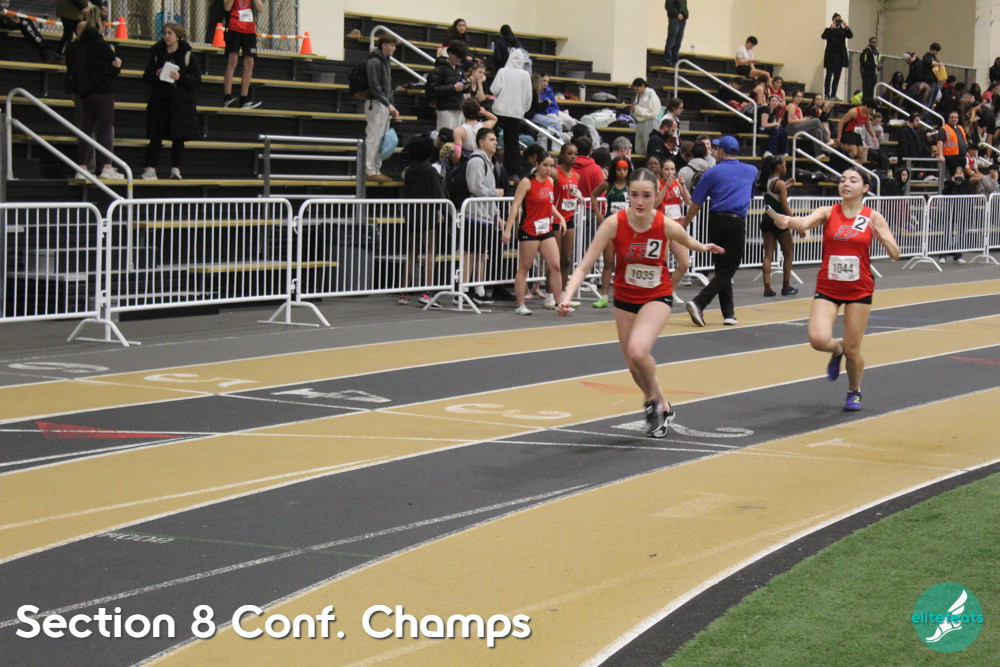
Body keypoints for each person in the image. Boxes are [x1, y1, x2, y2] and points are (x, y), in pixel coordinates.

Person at [557, 167, 723, 437]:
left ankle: (650, 401)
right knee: (634, 366)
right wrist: (566, 298)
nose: (640, 201)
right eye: (634, 195)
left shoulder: (664, 224)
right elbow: (584, 266)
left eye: (646, 195)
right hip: (625, 298)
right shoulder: (614, 223)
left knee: (638, 350)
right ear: (629, 196)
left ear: (656, 196)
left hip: (657, 295)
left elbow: (688, 241)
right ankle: (663, 404)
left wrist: (704, 247)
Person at [770, 168, 901, 411]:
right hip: (828, 286)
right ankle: (836, 348)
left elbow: (896, 254)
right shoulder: (828, 212)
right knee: (818, 340)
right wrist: (788, 221)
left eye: (853, 180)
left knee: (853, 351)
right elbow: (804, 222)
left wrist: (882, 237)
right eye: (842, 180)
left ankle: (854, 390)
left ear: (865, 188)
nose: (846, 184)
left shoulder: (873, 216)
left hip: (859, 289)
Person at [681, 136, 757, 327]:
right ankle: (699, 302)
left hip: (716, 221)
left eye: (716, 149)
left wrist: (685, 222)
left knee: (722, 268)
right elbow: (750, 194)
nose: (714, 152)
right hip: (736, 221)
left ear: (722, 151)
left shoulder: (711, 172)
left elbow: (696, 203)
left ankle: (728, 313)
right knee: (729, 269)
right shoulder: (751, 171)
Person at [502, 153, 564, 315]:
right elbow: (515, 206)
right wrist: (508, 230)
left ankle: (560, 302)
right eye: (545, 165)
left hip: (546, 229)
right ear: (537, 164)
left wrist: (560, 217)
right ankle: (520, 304)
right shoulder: (527, 182)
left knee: (555, 265)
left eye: (551, 166)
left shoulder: (550, 181)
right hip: (530, 229)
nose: (549, 169)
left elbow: (549, 204)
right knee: (525, 267)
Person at [66, 8, 122, 180]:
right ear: (103, 24)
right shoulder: (100, 44)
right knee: (105, 127)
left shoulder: (79, 45)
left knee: (86, 128)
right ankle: (106, 166)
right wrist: (117, 64)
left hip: (85, 91)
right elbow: (113, 69)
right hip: (102, 90)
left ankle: (82, 167)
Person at [139, 23, 201, 181]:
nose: (166, 36)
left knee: (179, 137)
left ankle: (175, 168)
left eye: (170, 33)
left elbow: (197, 79)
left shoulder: (188, 56)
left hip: (180, 102)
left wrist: (181, 77)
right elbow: (146, 77)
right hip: (160, 100)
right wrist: (156, 73)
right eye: (165, 33)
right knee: (156, 135)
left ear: (178, 37)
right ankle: (151, 168)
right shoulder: (157, 54)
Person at [399, 135, 446, 305]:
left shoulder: (409, 171)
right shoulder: (431, 171)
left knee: (412, 253)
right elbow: (439, 195)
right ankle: (427, 292)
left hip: (412, 216)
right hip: (428, 217)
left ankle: (403, 292)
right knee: (430, 253)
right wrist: (447, 214)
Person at [463, 127, 505, 304]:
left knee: (481, 254)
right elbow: (475, 186)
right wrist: (495, 193)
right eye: (491, 139)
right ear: (481, 142)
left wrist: (496, 215)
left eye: (495, 140)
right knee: (471, 253)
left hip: (485, 214)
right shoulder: (476, 161)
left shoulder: (488, 161)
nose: (495, 143)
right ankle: (464, 290)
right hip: (474, 214)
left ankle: (479, 290)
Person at [589, 158, 632, 309]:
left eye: (625, 169)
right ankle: (604, 297)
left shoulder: (632, 185)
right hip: (610, 227)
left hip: (626, 228)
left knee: (625, 262)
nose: (622, 173)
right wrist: (599, 215)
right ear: (614, 170)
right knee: (608, 262)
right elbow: (593, 195)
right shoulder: (608, 184)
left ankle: (625, 295)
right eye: (619, 169)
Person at [758, 155, 803, 297]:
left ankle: (767, 288)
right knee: (788, 254)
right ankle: (786, 286)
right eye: (784, 164)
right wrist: (797, 223)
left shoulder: (766, 181)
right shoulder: (780, 184)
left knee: (768, 255)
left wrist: (786, 186)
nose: (786, 167)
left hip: (767, 218)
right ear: (778, 166)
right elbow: (784, 206)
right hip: (779, 219)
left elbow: (774, 196)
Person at [490, 48, 532, 180]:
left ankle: (492, 164)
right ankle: (513, 172)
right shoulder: (525, 75)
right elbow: (529, 96)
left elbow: (494, 89)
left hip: (500, 110)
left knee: (492, 138)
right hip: (516, 112)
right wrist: (523, 109)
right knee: (512, 143)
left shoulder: (503, 71)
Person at [363, 35, 400, 183]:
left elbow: (387, 88)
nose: (394, 48)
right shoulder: (374, 62)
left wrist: (391, 104)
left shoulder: (385, 61)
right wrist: (388, 104)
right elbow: (375, 87)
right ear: (383, 45)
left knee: (381, 139)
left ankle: (376, 169)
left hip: (383, 104)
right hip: (375, 103)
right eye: (391, 45)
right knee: (374, 137)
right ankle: (369, 170)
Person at [553, 142, 584, 300]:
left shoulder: (576, 176)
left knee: (566, 259)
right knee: (555, 261)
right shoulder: (555, 173)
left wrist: (578, 196)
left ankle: (564, 294)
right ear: (562, 155)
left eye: (575, 154)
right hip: (555, 219)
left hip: (569, 218)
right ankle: (551, 295)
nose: (573, 157)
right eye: (569, 153)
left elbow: (572, 194)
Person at [222, 0, 264, 109]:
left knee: (249, 63)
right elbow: (227, 7)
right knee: (233, 60)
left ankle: (244, 98)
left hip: (249, 30)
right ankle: (227, 97)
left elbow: (261, 9)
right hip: (235, 27)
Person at [427, 42, 470, 132]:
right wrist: (453, 88)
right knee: (445, 134)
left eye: (460, 58)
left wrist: (466, 86)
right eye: (457, 57)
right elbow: (433, 89)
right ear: (450, 53)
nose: (458, 60)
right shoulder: (439, 69)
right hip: (445, 108)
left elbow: (466, 86)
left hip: (458, 107)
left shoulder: (459, 69)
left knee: (457, 134)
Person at [821, 13, 853, 99]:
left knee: (837, 77)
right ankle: (826, 94)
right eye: (836, 19)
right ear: (833, 20)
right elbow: (823, 36)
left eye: (839, 19)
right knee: (828, 76)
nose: (838, 21)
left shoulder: (843, 30)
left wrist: (846, 26)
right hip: (831, 57)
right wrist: (831, 28)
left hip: (839, 57)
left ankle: (833, 94)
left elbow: (850, 36)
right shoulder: (828, 30)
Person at [835, 97, 876, 163]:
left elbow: (868, 126)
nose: (870, 112)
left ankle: (854, 167)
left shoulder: (867, 115)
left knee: (860, 153)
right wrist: (839, 136)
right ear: (866, 106)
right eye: (870, 110)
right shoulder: (854, 112)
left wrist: (873, 136)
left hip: (857, 134)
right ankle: (844, 163)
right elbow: (841, 122)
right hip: (848, 133)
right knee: (853, 152)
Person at [631, 78, 661, 155]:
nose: (636, 91)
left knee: (649, 146)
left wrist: (637, 109)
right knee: (638, 148)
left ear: (642, 86)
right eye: (635, 90)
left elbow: (653, 112)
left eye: (637, 89)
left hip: (650, 122)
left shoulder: (652, 95)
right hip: (640, 122)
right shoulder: (638, 96)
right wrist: (634, 110)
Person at [663, 0, 688, 68]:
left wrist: (685, 15)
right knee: (671, 41)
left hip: (682, 20)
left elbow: (684, 7)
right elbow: (668, 6)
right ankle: (668, 61)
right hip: (674, 19)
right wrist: (677, 14)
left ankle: (675, 62)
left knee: (678, 42)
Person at [859, 36, 882, 101]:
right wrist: (874, 66)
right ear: (869, 43)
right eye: (872, 42)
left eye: (875, 42)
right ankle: (865, 104)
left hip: (874, 75)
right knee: (867, 91)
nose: (874, 44)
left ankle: (871, 105)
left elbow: (878, 61)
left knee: (872, 92)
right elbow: (863, 62)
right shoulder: (866, 52)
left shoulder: (878, 53)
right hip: (867, 75)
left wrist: (879, 67)